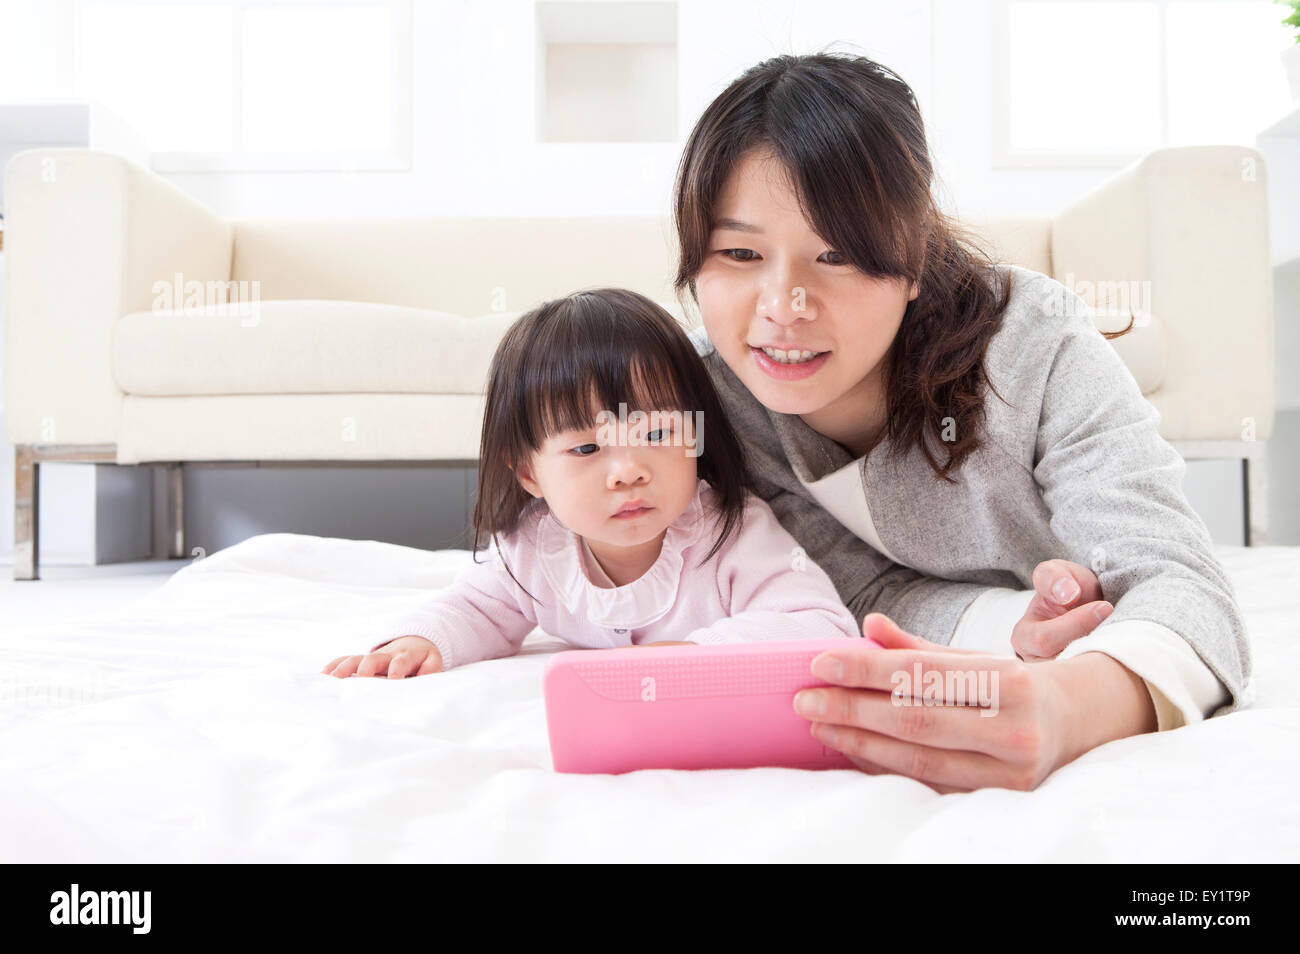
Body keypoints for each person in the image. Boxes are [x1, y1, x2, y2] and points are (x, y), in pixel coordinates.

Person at [672, 51, 1251, 792]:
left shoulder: (1033, 342)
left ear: (912, 259)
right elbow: (853, 592)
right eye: (741, 252)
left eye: (838, 255)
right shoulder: (717, 396)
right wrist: (1008, 630)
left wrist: (1068, 708)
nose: (784, 304)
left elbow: (1185, 588)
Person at [320, 288, 863, 678]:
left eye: (656, 433)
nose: (628, 469)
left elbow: (817, 623)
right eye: (586, 448)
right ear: (530, 472)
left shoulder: (731, 531)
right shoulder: (533, 548)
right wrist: (419, 639)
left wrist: (691, 653)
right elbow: (475, 609)